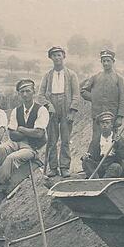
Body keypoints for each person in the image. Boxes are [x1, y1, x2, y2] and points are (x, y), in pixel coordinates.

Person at [0, 79, 48, 188]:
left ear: (34, 92)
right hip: (15, 143)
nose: (25, 94)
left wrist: (21, 129)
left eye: (28, 91)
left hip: (32, 147)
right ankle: (4, 178)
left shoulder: (41, 110)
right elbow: (12, 134)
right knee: (1, 149)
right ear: (19, 94)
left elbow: (39, 134)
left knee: (11, 158)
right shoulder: (16, 111)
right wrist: (30, 131)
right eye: (22, 92)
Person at [39, 46, 80, 178]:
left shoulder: (71, 75)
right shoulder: (47, 76)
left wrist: (72, 111)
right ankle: (53, 168)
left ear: (64, 56)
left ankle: (64, 167)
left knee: (65, 140)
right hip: (52, 111)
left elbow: (76, 95)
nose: (57, 58)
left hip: (66, 108)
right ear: (51, 58)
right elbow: (40, 95)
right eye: (54, 55)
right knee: (51, 140)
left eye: (59, 55)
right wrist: (48, 105)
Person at [80, 49, 124, 141]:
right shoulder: (95, 77)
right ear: (101, 62)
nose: (106, 63)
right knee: (96, 139)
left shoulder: (119, 78)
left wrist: (120, 117)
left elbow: (123, 99)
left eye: (108, 61)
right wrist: (94, 98)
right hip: (98, 116)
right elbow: (83, 91)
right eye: (103, 61)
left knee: (112, 140)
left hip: (112, 117)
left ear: (113, 62)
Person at [81, 112, 124, 178]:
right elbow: (91, 156)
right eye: (102, 123)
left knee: (116, 167)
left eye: (107, 123)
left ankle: (104, 181)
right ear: (99, 125)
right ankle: (95, 180)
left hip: (112, 164)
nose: (104, 125)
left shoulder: (118, 139)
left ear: (111, 125)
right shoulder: (96, 141)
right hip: (100, 166)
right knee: (86, 162)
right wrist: (87, 157)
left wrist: (118, 144)